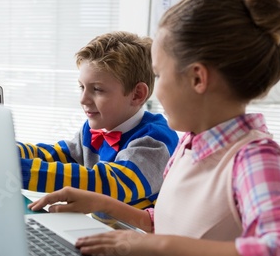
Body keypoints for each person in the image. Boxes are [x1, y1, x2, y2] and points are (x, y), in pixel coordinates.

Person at [29, 0, 280, 256]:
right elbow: (182, 227)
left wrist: (159, 245)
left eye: (160, 75)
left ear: (197, 79)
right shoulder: (191, 144)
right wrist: (106, 204)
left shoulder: (255, 159)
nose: (155, 92)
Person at [18, 31, 179, 223]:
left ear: (137, 95)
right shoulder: (96, 127)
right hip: (103, 233)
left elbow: (109, 185)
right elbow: (59, 154)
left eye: (97, 90)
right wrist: (6, 150)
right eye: (82, 87)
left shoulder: (156, 141)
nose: (83, 99)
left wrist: (17, 170)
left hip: (142, 241)